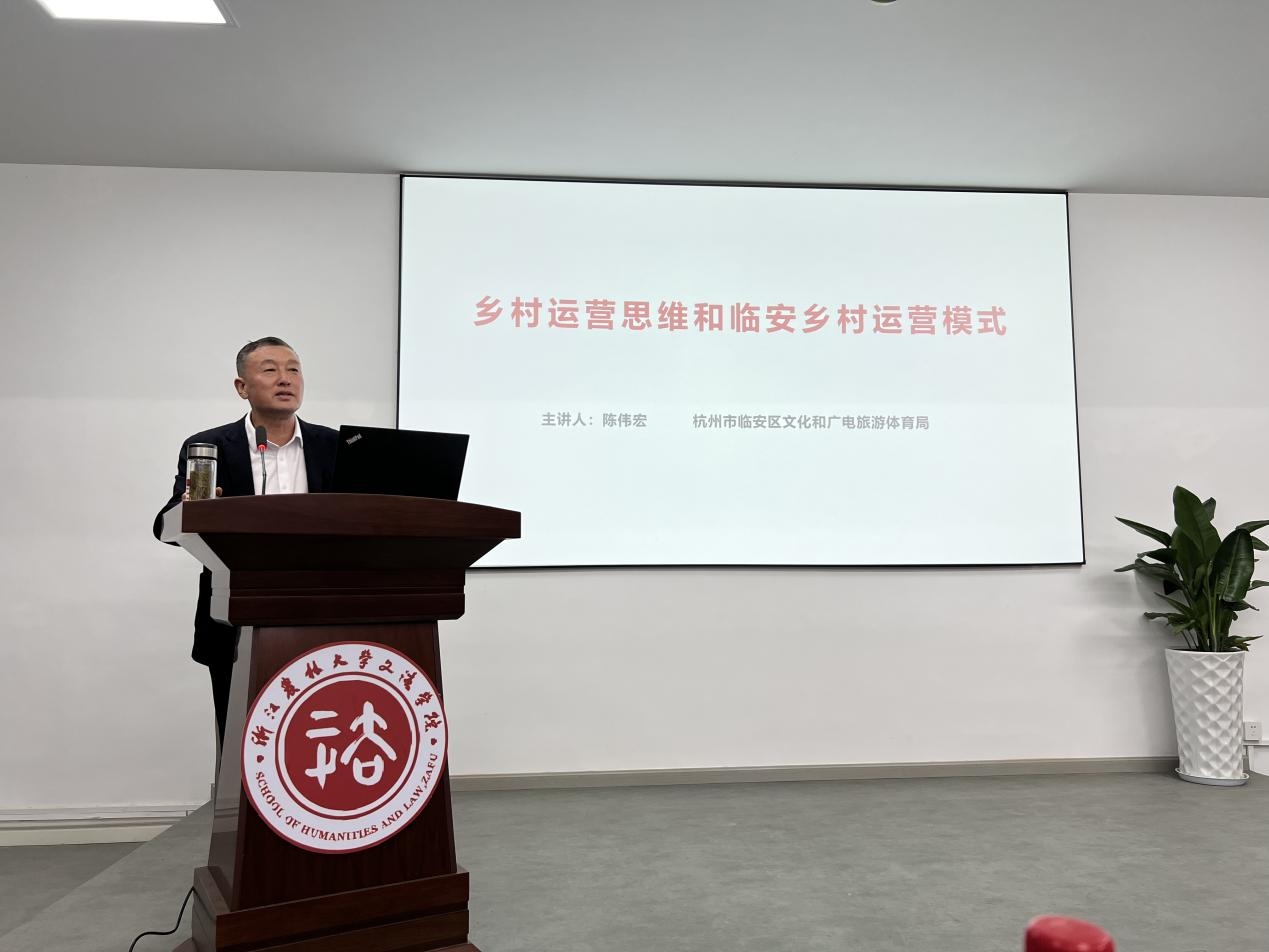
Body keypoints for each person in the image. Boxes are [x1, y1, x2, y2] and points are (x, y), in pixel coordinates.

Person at [153, 337, 339, 749]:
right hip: (235, 619)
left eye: (293, 369)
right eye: (270, 369)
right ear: (242, 387)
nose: (285, 379)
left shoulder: (334, 447)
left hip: (321, 613)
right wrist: (193, 511)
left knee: (318, 736)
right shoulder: (210, 447)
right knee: (242, 741)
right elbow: (165, 526)